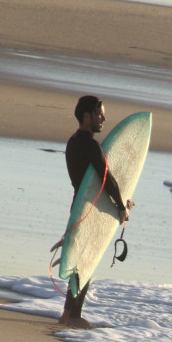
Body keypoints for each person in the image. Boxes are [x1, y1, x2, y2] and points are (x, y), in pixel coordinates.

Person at [58, 95, 133, 327]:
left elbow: (89, 184)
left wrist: (120, 201)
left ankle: (68, 314)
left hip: (79, 207)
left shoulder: (72, 142)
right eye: (100, 114)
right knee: (85, 263)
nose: (104, 118)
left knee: (80, 262)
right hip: (87, 211)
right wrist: (120, 207)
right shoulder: (90, 145)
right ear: (87, 116)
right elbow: (105, 178)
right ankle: (73, 317)